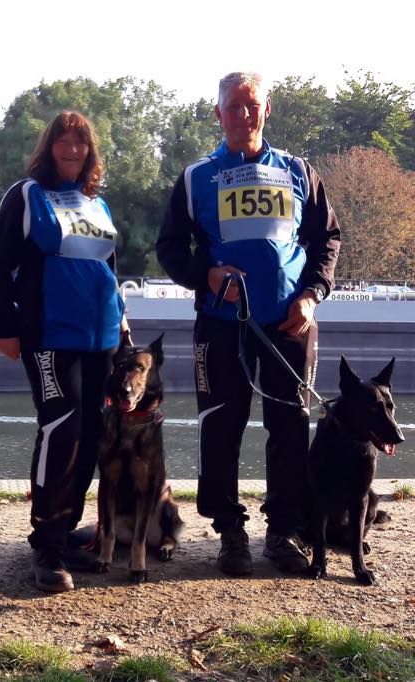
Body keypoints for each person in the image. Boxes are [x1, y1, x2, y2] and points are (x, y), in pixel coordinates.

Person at [156, 72, 340, 576]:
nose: (243, 114)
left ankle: (282, 530)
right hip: (221, 324)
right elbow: (170, 247)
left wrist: (311, 295)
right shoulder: (196, 178)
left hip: (288, 324)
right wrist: (206, 274)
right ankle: (229, 531)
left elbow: (327, 239)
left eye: (252, 105)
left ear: (266, 109)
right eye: (233, 107)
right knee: (221, 425)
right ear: (218, 114)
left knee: (289, 425)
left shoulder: (300, 171)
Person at [0, 111, 131, 593]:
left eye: (80, 143)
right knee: (60, 429)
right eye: (63, 142)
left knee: (91, 435)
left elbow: (110, 267)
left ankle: (66, 533)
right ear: (48, 147)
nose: (72, 149)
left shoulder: (97, 203)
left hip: (103, 338)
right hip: (49, 337)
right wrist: (6, 326)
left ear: (90, 151)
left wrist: (124, 321)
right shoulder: (26, 195)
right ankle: (45, 543)